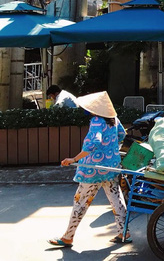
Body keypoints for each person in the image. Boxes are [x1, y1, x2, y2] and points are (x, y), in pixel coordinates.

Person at [47, 91, 131, 248]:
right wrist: (109, 148)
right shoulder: (114, 119)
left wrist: (74, 159)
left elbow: (94, 143)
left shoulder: (97, 121)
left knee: (80, 202)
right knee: (116, 199)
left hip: (93, 169)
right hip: (111, 167)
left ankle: (68, 237)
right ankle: (124, 233)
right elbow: (121, 135)